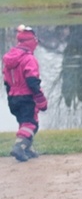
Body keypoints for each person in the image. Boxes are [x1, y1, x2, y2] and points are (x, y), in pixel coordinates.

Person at [3, 25, 47, 162]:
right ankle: (19, 147)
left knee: (24, 122)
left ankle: (28, 148)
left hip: (13, 97)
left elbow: (6, 82)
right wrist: (40, 99)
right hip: (26, 96)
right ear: (31, 42)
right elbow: (32, 81)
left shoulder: (8, 59)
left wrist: (11, 95)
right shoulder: (29, 59)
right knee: (31, 123)